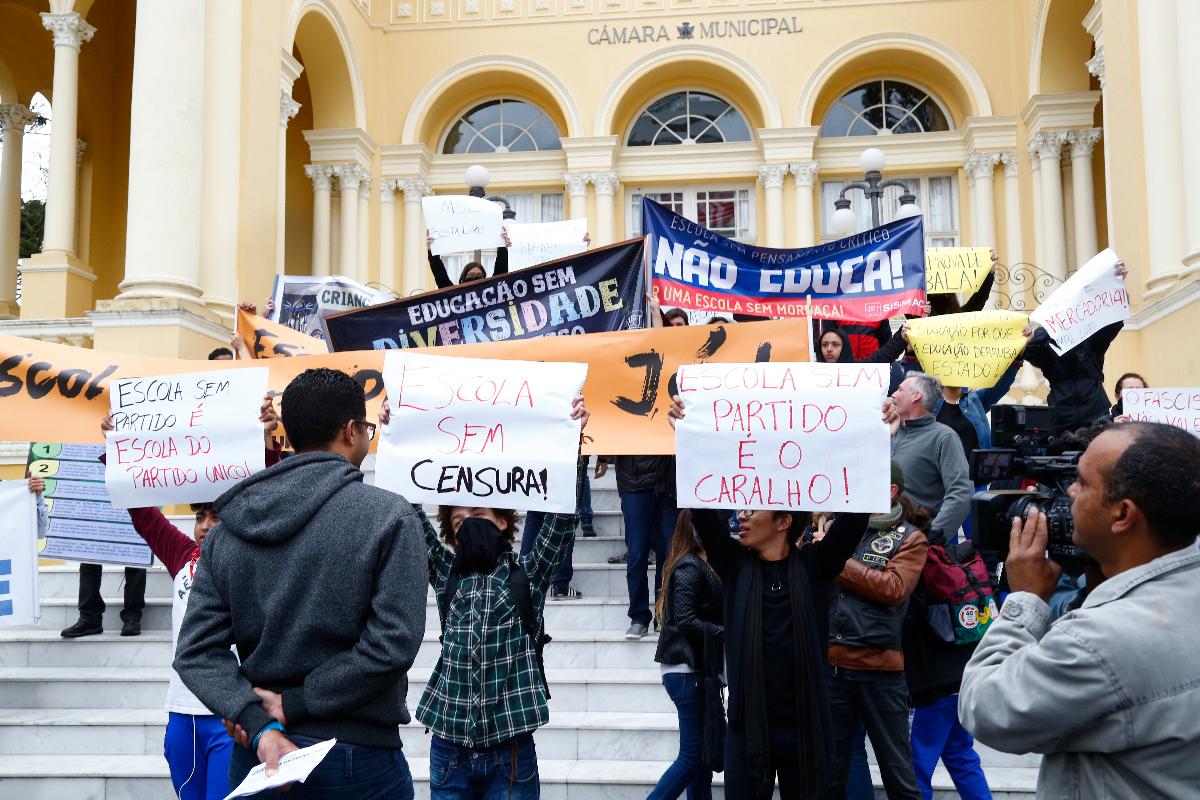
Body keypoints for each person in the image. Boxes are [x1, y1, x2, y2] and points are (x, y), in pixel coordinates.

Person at [175, 368, 428, 797]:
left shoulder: (228, 529)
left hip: (261, 753)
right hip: (354, 756)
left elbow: (196, 653)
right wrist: (281, 712)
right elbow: (393, 643)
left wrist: (262, 726)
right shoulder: (389, 516)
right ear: (351, 431)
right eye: (367, 428)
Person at [960, 422, 1200, 798]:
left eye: (1083, 483)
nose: (1069, 493)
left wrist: (1025, 600)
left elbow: (987, 708)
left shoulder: (1101, 640)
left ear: (1122, 515)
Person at [378, 396, 588, 799]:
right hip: (449, 746)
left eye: (479, 515)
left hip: (511, 749)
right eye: (459, 522)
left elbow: (562, 520)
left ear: (504, 521)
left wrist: (572, 445)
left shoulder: (528, 574)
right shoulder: (445, 574)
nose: (469, 526)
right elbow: (408, 511)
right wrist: (391, 438)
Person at [668, 395, 871, 799]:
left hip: (805, 726)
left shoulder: (816, 567)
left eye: (753, 508)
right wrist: (685, 438)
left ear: (782, 521)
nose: (741, 514)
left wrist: (879, 437)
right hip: (747, 727)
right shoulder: (734, 564)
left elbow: (856, 516)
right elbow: (702, 511)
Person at [100, 396, 280, 800]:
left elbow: (271, 497)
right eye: (200, 516)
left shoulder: (254, 556)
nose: (205, 525)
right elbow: (143, 512)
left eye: (215, 516)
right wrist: (118, 448)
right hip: (181, 713)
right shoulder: (183, 556)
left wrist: (266, 444)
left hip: (229, 713)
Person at [825, 462, 927, 800]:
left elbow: (894, 588)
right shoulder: (841, 529)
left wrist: (836, 558)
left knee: (899, 776)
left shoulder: (911, 537)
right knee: (831, 775)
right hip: (833, 669)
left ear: (891, 491)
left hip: (881, 673)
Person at [650, 511, 724, 800]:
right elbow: (686, 621)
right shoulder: (690, 568)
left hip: (695, 670)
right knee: (692, 755)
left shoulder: (700, 564)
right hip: (685, 672)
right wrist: (727, 632)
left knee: (702, 756)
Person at [1021, 260, 1128, 430]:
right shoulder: (1047, 341)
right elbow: (1029, 350)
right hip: (1062, 415)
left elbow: (1112, 321)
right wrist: (1047, 329)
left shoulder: (1092, 336)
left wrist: (1116, 284)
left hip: (1095, 412)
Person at [597, 453, 679, 638]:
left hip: (668, 480)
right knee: (637, 553)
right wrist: (602, 455)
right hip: (634, 482)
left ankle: (663, 614)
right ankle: (639, 617)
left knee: (669, 554)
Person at [889, 373, 973, 542]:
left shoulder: (943, 437)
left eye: (899, 389)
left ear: (916, 396)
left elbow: (962, 492)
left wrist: (932, 535)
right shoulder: (889, 430)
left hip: (907, 545)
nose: (893, 394)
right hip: (870, 538)